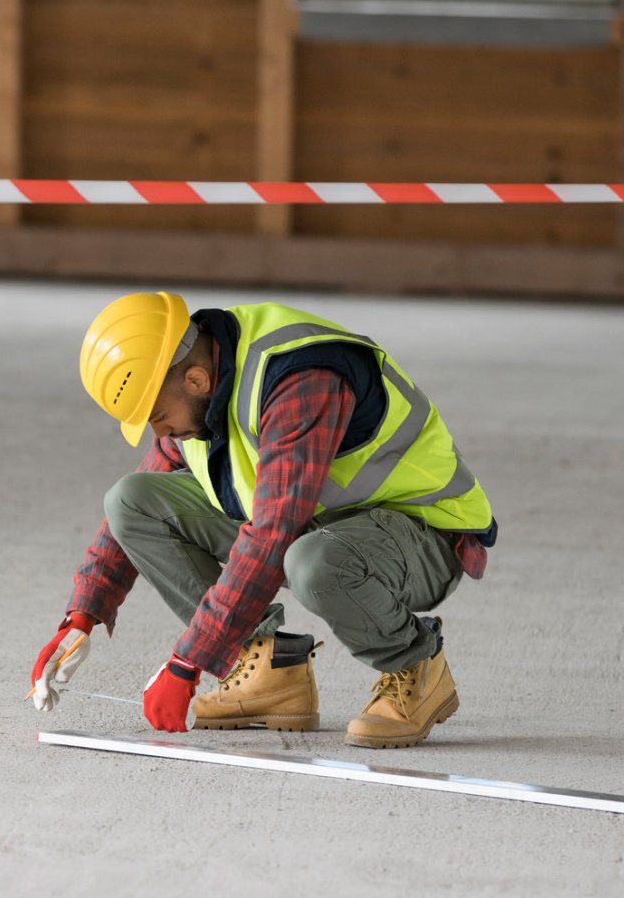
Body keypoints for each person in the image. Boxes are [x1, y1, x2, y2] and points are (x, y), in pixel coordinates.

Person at [30, 292, 496, 749]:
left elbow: (276, 531)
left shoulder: (299, 378)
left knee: (313, 561)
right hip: (322, 526)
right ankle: (267, 670)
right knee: (130, 500)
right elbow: (136, 506)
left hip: (422, 535)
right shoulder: (203, 380)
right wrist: (80, 618)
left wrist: (187, 663)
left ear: (194, 380)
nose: (157, 432)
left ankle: (416, 663)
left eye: (155, 416)